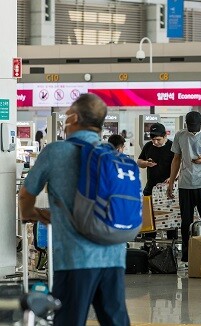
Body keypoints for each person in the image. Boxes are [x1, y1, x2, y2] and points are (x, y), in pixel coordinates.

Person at [18, 93, 130, 325]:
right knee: (116, 320)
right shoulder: (112, 154)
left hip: (75, 258)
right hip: (114, 254)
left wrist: (31, 214)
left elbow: (26, 194)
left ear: (75, 118)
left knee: (69, 320)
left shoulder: (55, 151)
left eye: (67, 116)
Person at [167, 111, 201, 264]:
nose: (192, 129)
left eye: (195, 127)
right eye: (190, 126)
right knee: (186, 222)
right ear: (186, 124)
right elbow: (176, 159)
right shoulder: (180, 136)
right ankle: (186, 255)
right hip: (185, 184)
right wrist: (171, 182)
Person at [137, 123, 176, 239]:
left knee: (170, 220)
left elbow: (179, 165)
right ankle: (149, 246)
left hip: (167, 189)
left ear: (165, 136)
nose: (155, 142)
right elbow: (139, 161)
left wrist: (172, 178)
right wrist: (146, 163)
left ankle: (171, 246)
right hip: (151, 188)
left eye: (158, 140)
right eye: (153, 140)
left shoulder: (172, 147)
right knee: (150, 219)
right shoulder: (148, 146)